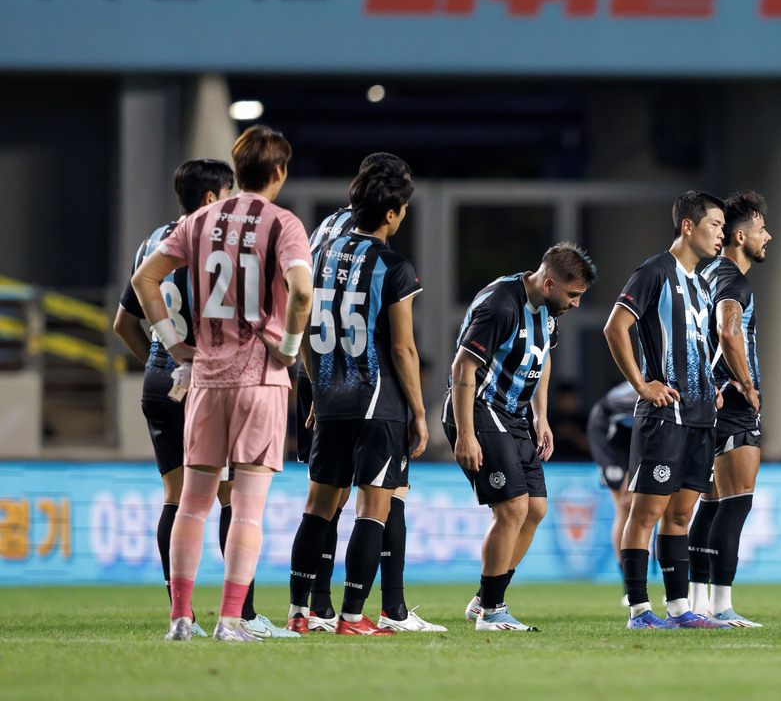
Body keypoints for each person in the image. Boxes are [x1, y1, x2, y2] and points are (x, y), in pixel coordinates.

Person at [132, 124, 314, 642]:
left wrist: (174, 345)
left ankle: (180, 618)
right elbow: (302, 291)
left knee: (192, 503)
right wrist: (289, 348)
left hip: (207, 379)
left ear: (238, 168)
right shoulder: (283, 223)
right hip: (261, 380)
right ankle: (231, 620)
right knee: (247, 508)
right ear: (278, 171)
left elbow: (145, 279)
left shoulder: (199, 220)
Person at [285, 158, 444, 635]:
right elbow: (403, 348)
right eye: (404, 209)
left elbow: (305, 328)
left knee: (317, 508)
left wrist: (317, 389)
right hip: (378, 403)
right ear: (391, 213)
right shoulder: (395, 267)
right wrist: (419, 412)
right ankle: (353, 616)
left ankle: (298, 614)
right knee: (373, 509)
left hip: (329, 400)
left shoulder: (319, 255)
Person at [113, 159, 234, 639]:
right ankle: (240, 615)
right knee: (229, 496)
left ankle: (180, 613)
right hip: (207, 383)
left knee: (175, 496)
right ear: (210, 199)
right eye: (228, 194)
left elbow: (123, 323)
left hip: (160, 383)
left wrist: (160, 361)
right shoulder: (217, 245)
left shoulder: (152, 243)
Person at [447, 244, 596, 631]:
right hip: (480, 409)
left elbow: (542, 359)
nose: (576, 303)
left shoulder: (548, 311)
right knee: (512, 509)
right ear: (549, 284)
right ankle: (492, 610)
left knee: (535, 510)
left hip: (514, 417)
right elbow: (462, 367)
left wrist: (541, 416)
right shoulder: (501, 305)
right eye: (573, 294)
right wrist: (465, 434)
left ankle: (483, 600)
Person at [602, 190, 730, 630]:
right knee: (645, 514)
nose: (721, 234)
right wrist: (642, 384)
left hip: (701, 418)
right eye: (715, 224)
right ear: (688, 226)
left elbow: (700, 346)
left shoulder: (703, 284)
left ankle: (679, 609)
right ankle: (639, 611)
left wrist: (712, 387)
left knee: (680, 516)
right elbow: (615, 327)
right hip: (665, 418)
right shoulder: (654, 272)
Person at [690, 190, 770, 627]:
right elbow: (728, 330)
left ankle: (697, 602)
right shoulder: (733, 279)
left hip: (707, 400)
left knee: (712, 503)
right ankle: (721, 606)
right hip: (733, 403)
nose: (767, 236)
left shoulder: (706, 274)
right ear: (740, 237)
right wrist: (748, 385)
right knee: (735, 503)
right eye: (761, 230)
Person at [585, 380, 639, 604]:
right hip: (608, 432)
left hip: (634, 431)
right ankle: (628, 584)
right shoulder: (644, 392)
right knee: (625, 506)